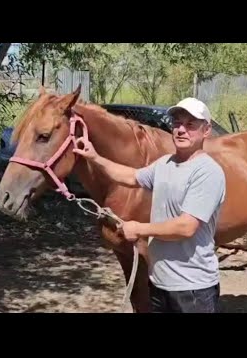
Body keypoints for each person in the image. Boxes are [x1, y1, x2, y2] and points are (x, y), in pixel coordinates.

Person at [72, 97, 226, 313]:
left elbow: (186, 227)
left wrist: (138, 228)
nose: (181, 130)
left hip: (193, 288)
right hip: (159, 282)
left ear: (206, 130)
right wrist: (95, 157)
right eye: (177, 123)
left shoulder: (207, 171)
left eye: (190, 124)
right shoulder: (165, 164)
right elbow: (131, 177)